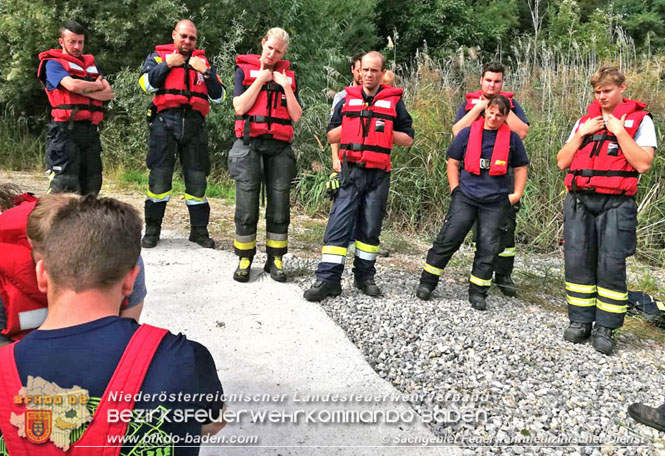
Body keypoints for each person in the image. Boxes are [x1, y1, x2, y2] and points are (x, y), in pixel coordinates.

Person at [0, 195, 225, 454]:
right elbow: (212, 424)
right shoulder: (188, 358)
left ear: (42, 275)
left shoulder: (5, 368)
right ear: (131, 281)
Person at [557, 67, 656, 355]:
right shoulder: (584, 121)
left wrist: (618, 131)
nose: (602, 96)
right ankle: (580, 321)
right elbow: (562, 161)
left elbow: (643, 164)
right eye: (597, 92)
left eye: (607, 91)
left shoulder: (641, 122)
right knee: (577, 261)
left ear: (622, 88)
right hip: (579, 201)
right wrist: (583, 133)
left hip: (616, 203)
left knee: (611, 265)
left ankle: (606, 327)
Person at [303, 51, 414, 301]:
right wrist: (355, 125)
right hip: (351, 171)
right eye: (365, 69)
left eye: (374, 70)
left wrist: (382, 129)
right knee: (338, 226)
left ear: (382, 74)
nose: (369, 74)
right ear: (358, 71)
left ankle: (365, 277)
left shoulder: (395, 102)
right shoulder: (346, 100)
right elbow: (331, 136)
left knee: (370, 229)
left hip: (378, 175)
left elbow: (408, 138)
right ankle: (328, 280)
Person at [416, 95, 529, 310]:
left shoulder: (512, 139)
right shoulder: (468, 133)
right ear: (485, 111)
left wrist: (516, 195)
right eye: (492, 112)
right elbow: (452, 162)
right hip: (466, 197)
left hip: (496, 201)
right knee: (448, 238)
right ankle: (427, 283)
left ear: (506, 117)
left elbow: (521, 168)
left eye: (499, 115)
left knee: (488, 246)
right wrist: (455, 189)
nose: (494, 118)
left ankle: (478, 292)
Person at [0, 189, 146, 345]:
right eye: (56, 261)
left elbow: (124, 335)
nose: (70, 266)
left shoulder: (118, 255)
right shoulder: (4, 272)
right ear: (31, 245)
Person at [139, 19, 225, 249]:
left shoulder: (203, 62)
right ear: (174, 35)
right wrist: (167, 64)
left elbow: (219, 96)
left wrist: (205, 72)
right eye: (183, 36)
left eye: (192, 38)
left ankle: (199, 231)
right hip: (165, 122)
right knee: (159, 178)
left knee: (197, 181)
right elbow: (146, 85)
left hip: (195, 124)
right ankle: (152, 230)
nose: (187, 41)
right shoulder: (157, 57)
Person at [229, 27, 302, 283]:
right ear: (263, 44)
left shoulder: (289, 77)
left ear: (284, 52)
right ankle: (245, 258)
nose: (272, 54)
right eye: (269, 47)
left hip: (279, 148)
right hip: (249, 144)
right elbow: (239, 107)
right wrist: (260, 79)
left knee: (279, 206)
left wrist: (286, 88)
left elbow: (296, 116)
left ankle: (276, 259)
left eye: (278, 51)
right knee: (247, 207)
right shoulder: (244, 72)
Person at [452, 62, 530, 297]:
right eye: (488, 80)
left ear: (502, 83)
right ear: (481, 81)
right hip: (472, 180)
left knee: (505, 231)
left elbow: (522, 131)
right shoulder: (468, 104)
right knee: (478, 233)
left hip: (500, 180)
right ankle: (479, 276)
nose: (492, 85)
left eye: (497, 81)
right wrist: (480, 108)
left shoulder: (511, 106)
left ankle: (504, 276)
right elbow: (457, 131)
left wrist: (503, 108)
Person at [37, 20, 114, 195]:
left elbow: (109, 94)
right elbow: (71, 85)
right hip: (65, 132)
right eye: (72, 42)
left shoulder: (91, 65)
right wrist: (95, 86)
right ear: (61, 42)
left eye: (80, 42)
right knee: (64, 187)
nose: (77, 46)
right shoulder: (53, 64)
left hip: (90, 133)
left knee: (92, 185)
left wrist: (84, 89)